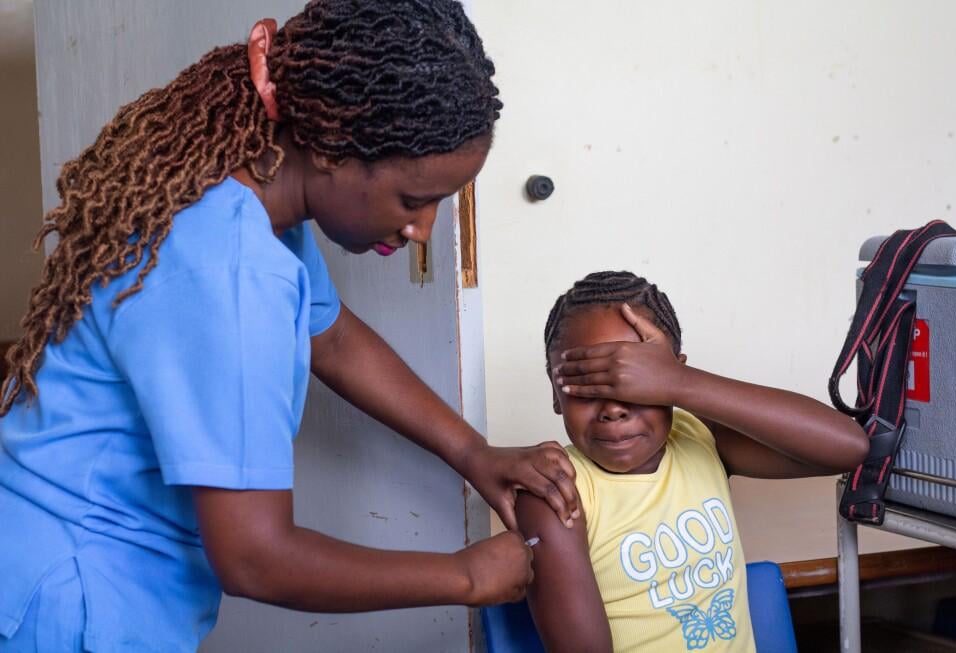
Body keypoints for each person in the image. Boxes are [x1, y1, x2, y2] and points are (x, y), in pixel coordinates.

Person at [0, 2, 581, 651]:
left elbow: (330, 336)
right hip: (67, 601)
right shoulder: (233, 271)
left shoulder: (239, 193)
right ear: (331, 144)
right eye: (413, 200)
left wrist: (475, 453)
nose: (422, 228)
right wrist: (466, 574)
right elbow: (255, 557)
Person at [516, 271, 868, 653]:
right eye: (586, 389)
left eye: (635, 386)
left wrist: (680, 382)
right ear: (555, 392)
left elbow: (847, 446)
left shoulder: (698, 436)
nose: (613, 409)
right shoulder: (555, 489)